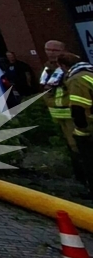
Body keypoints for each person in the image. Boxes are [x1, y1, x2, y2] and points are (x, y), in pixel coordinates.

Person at [41, 40, 83, 182]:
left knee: (78, 147)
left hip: (72, 113)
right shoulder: (48, 67)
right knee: (70, 148)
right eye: (48, 49)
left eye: (55, 50)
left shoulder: (70, 66)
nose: (50, 53)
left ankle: (84, 178)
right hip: (58, 115)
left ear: (63, 51)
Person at [65, 53, 93, 194]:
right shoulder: (90, 73)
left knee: (89, 162)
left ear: (63, 66)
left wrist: (81, 130)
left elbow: (78, 107)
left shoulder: (76, 80)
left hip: (89, 130)